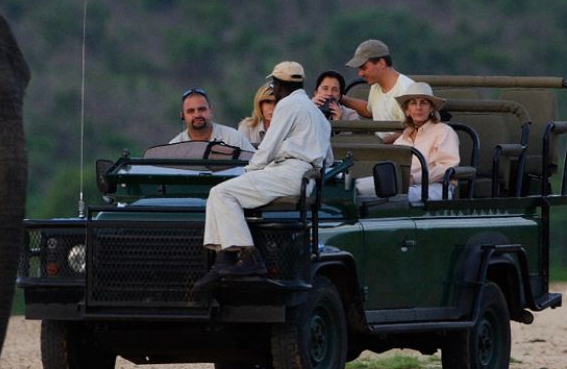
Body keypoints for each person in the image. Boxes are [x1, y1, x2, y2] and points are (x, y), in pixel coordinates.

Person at [194, 61, 332, 291]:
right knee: (224, 193)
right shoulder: (315, 112)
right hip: (306, 177)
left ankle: (247, 257)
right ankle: (223, 262)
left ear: (280, 85)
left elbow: (268, 147)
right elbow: (327, 158)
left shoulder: (288, 105)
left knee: (221, 192)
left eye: (274, 84)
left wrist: (249, 171)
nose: (273, 89)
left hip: (289, 172)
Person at [338, 39, 414, 143]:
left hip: (402, 153)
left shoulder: (406, 90)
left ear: (381, 63)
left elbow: (415, 128)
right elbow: (370, 110)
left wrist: (381, 144)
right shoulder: (376, 85)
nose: (360, 74)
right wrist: (341, 98)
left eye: (364, 68)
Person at [170, 88, 256, 151]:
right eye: (191, 111)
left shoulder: (233, 138)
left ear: (211, 111)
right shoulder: (174, 147)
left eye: (202, 109)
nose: (197, 115)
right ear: (182, 116)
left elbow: (256, 167)